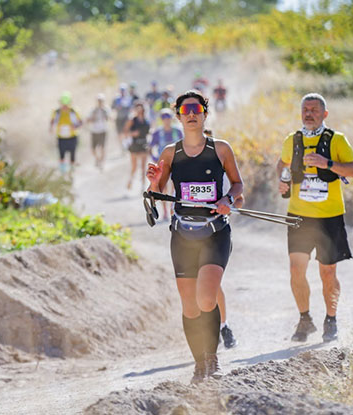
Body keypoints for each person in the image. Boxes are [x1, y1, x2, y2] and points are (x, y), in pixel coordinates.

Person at [146, 90, 244, 383]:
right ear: (177, 115)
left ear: (204, 114)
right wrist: (153, 179)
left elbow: (238, 185)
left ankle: (212, 360)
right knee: (189, 305)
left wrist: (228, 197)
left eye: (196, 109)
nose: (191, 114)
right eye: (185, 110)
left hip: (215, 233)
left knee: (205, 297)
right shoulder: (169, 153)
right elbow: (157, 191)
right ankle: (198, 363)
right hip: (183, 235)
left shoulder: (221, 149)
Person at [276, 93, 353, 343]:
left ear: (324, 114)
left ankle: (331, 319)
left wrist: (327, 163)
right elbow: (281, 165)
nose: (308, 113)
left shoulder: (337, 139)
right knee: (295, 269)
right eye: (305, 109)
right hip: (299, 215)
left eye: (314, 109)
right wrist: (283, 182)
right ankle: (305, 319)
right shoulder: (292, 139)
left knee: (327, 271)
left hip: (329, 217)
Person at [149, 108, 183, 218]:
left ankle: (171, 209)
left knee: (174, 188)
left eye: (168, 117)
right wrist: (154, 158)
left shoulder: (177, 131)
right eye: (164, 118)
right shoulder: (158, 132)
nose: (166, 120)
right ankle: (164, 211)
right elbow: (151, 146)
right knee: (163, 189)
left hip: (177, 163)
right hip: (162, 165)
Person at [50, 91, 82, 174]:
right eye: (63, 104)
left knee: (72, 157)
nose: (64, 106)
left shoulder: (73, 111)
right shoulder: (57, 112)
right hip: (61, 138)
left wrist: (74, 126)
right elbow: (52, 121)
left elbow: (80, 122)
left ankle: (71, 173)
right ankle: (63, 174)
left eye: (66, 104)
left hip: (72, 137)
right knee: (61, 156)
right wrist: (51, 128)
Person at [124, 102, 151, 190]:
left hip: (143, 144)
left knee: (143, 167)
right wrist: (133, 134)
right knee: (134, 167)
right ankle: (130, 181)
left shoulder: (146, 120)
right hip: (135, 145)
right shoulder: (132, 120)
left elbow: (148, 133)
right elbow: (125, 132)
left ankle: (143, 185)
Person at [87, 93, 110, 170]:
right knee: (93, 149)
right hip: (94, 131)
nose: (100, 102)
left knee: (102, 148)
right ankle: (97, 159)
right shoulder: (93, 110)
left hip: (103, 130)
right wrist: (93, 117)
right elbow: (88, 120)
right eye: (99, 101)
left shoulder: (106, 109)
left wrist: (106, 115)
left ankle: (102, 163)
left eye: (101, 101)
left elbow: (110, 118)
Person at [112, 84, 134, 151]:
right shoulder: (116, 99)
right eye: (121, 90)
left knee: (126, 132)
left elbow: (131, 108)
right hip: (119, 118)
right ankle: (121, 147)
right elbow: (112, 107)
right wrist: (117, 107)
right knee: (119, 133)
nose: (122, 92)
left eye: (123, 90)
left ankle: (127, 146)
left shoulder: (128, 98)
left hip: (126, 118)